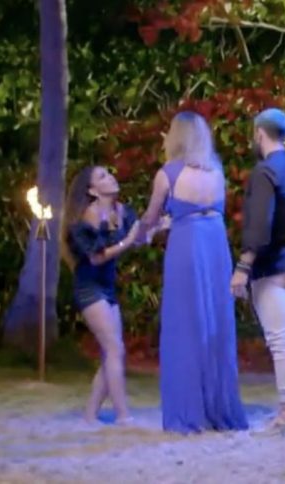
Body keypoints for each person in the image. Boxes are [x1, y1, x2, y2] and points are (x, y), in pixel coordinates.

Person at [140, 111, 248, 434]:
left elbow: (150, 217)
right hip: (215, 243)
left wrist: (143, 231)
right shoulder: (216, 171)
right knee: (216, 321)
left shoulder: (168, 173)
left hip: (187, 245)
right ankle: (220, 407)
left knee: (185, 323)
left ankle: (188, 411)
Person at [229, 108, 285, 431]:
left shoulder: (265, 172)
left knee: (279, 338)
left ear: (259, 133)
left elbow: (259, 224)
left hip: (271, 262)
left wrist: (243, 266)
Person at [62, 165, 142, 425]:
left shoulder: (122, 211)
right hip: (89, 286)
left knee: (111, 352)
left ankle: (90, 415)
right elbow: (96, 258)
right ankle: (123, 415)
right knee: (114, 348)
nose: (111, 177)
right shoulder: (87, 217)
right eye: (102, 176)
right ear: (93, 191)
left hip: (107, 285)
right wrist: (128, 241)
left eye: (109, 173)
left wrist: (157, 227)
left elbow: (138, 236)